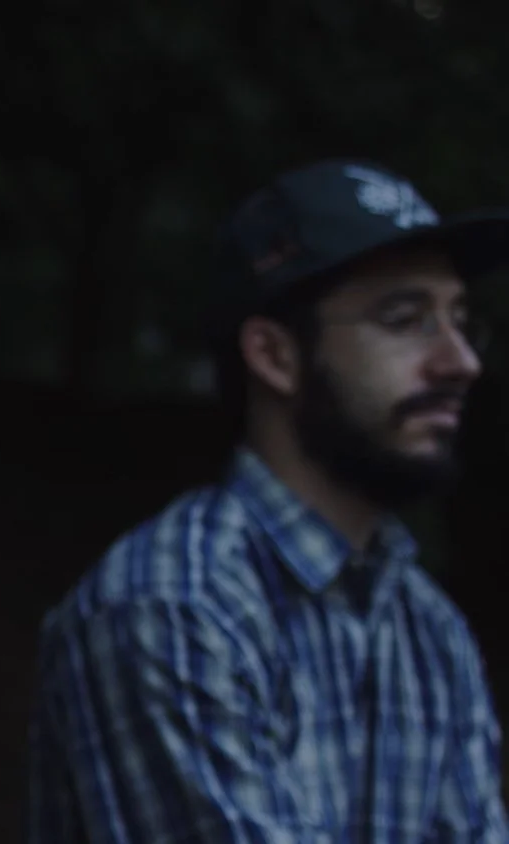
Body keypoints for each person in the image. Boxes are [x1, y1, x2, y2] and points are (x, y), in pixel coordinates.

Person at [28, 159, 509, 843]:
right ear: (276, 356)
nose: (460, 360)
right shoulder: (170, 608)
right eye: (407, 319)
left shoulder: (431, 633)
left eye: (461, 321)